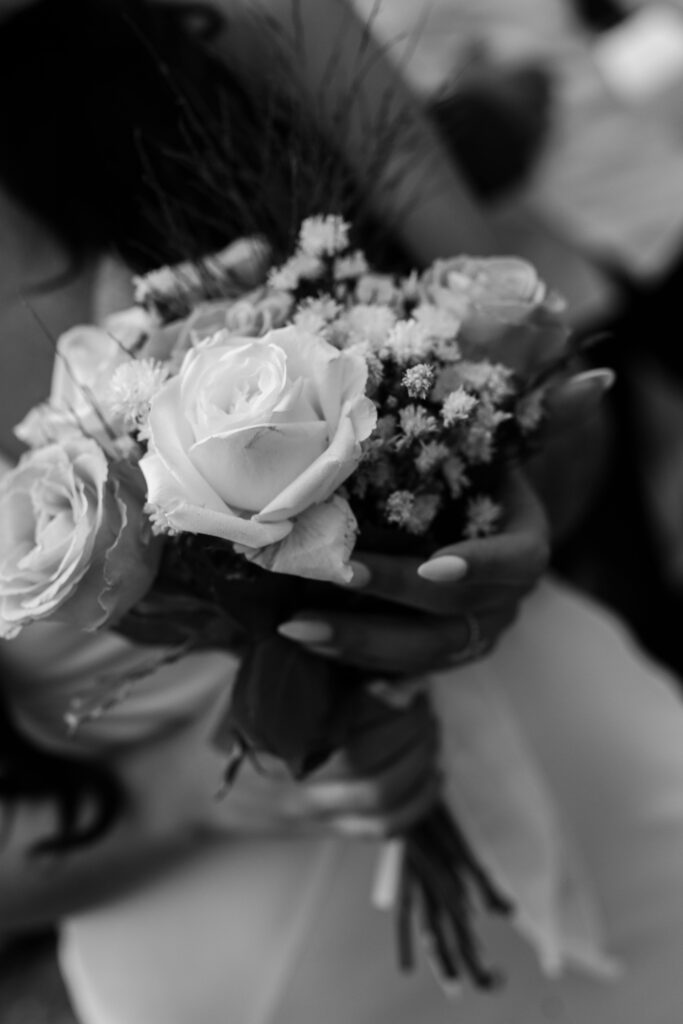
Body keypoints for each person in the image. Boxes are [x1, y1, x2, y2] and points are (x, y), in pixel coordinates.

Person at [3, 2, 683, 1024]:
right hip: (238, 956)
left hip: (580, 760)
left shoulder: (229, 23)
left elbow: (543, 379)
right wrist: (200, 797)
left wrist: (504, 525)